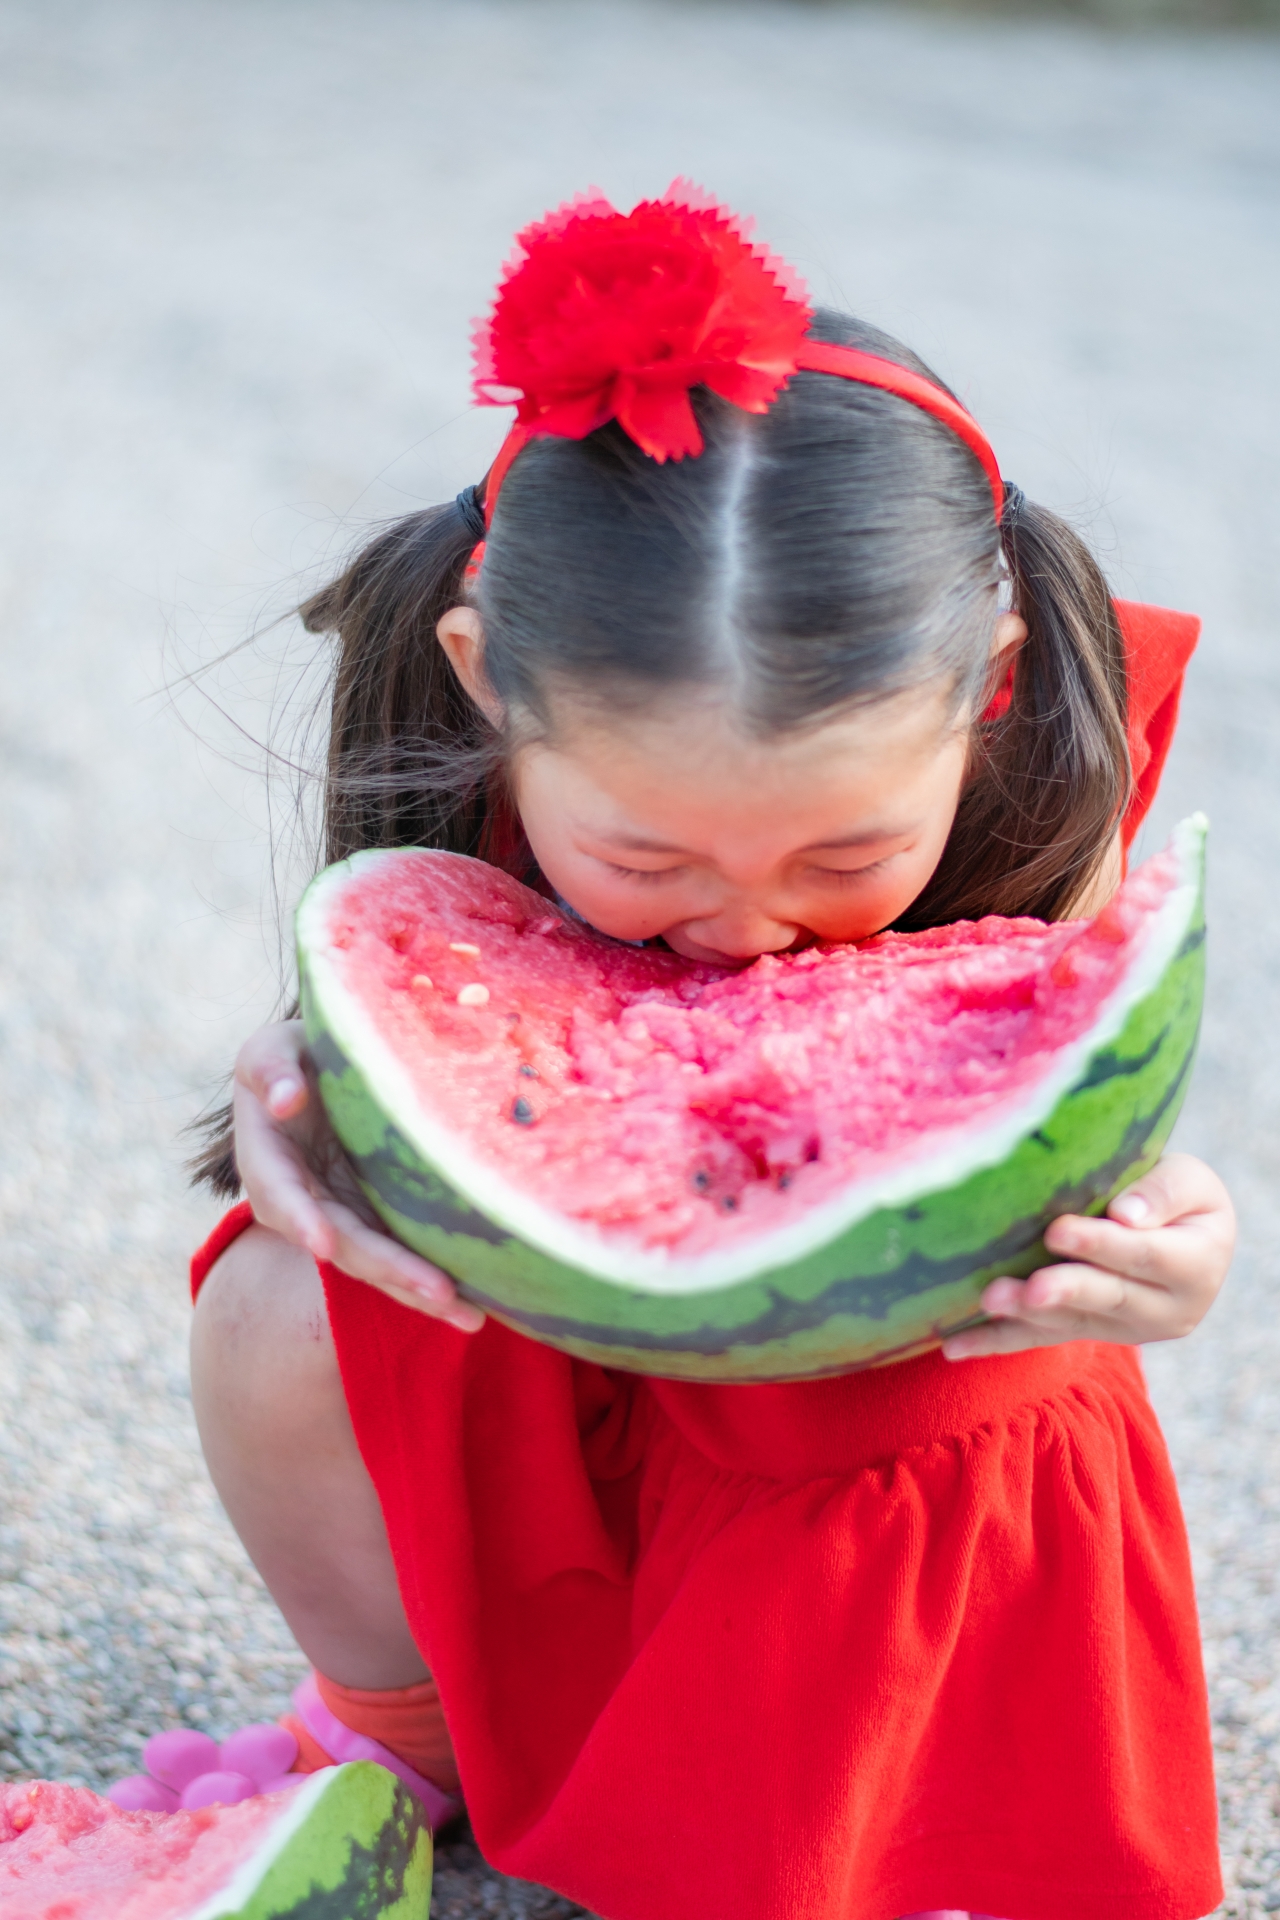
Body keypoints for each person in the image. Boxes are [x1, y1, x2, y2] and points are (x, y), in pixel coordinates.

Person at [139, 186, 1237, 1918]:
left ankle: (897, 1791)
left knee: (981, 1393)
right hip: (543, 1327)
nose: (745, 931)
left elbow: (1058, 1118)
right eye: (645, 864)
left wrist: (1176, 1239)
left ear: (991, 689)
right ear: (488, 685)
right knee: (275, 1299)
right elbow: (451, 1013)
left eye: (847, 862)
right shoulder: (462, 724)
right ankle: (400, 1723)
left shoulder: (1049, 756)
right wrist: (308, 1100)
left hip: (872, 1372)